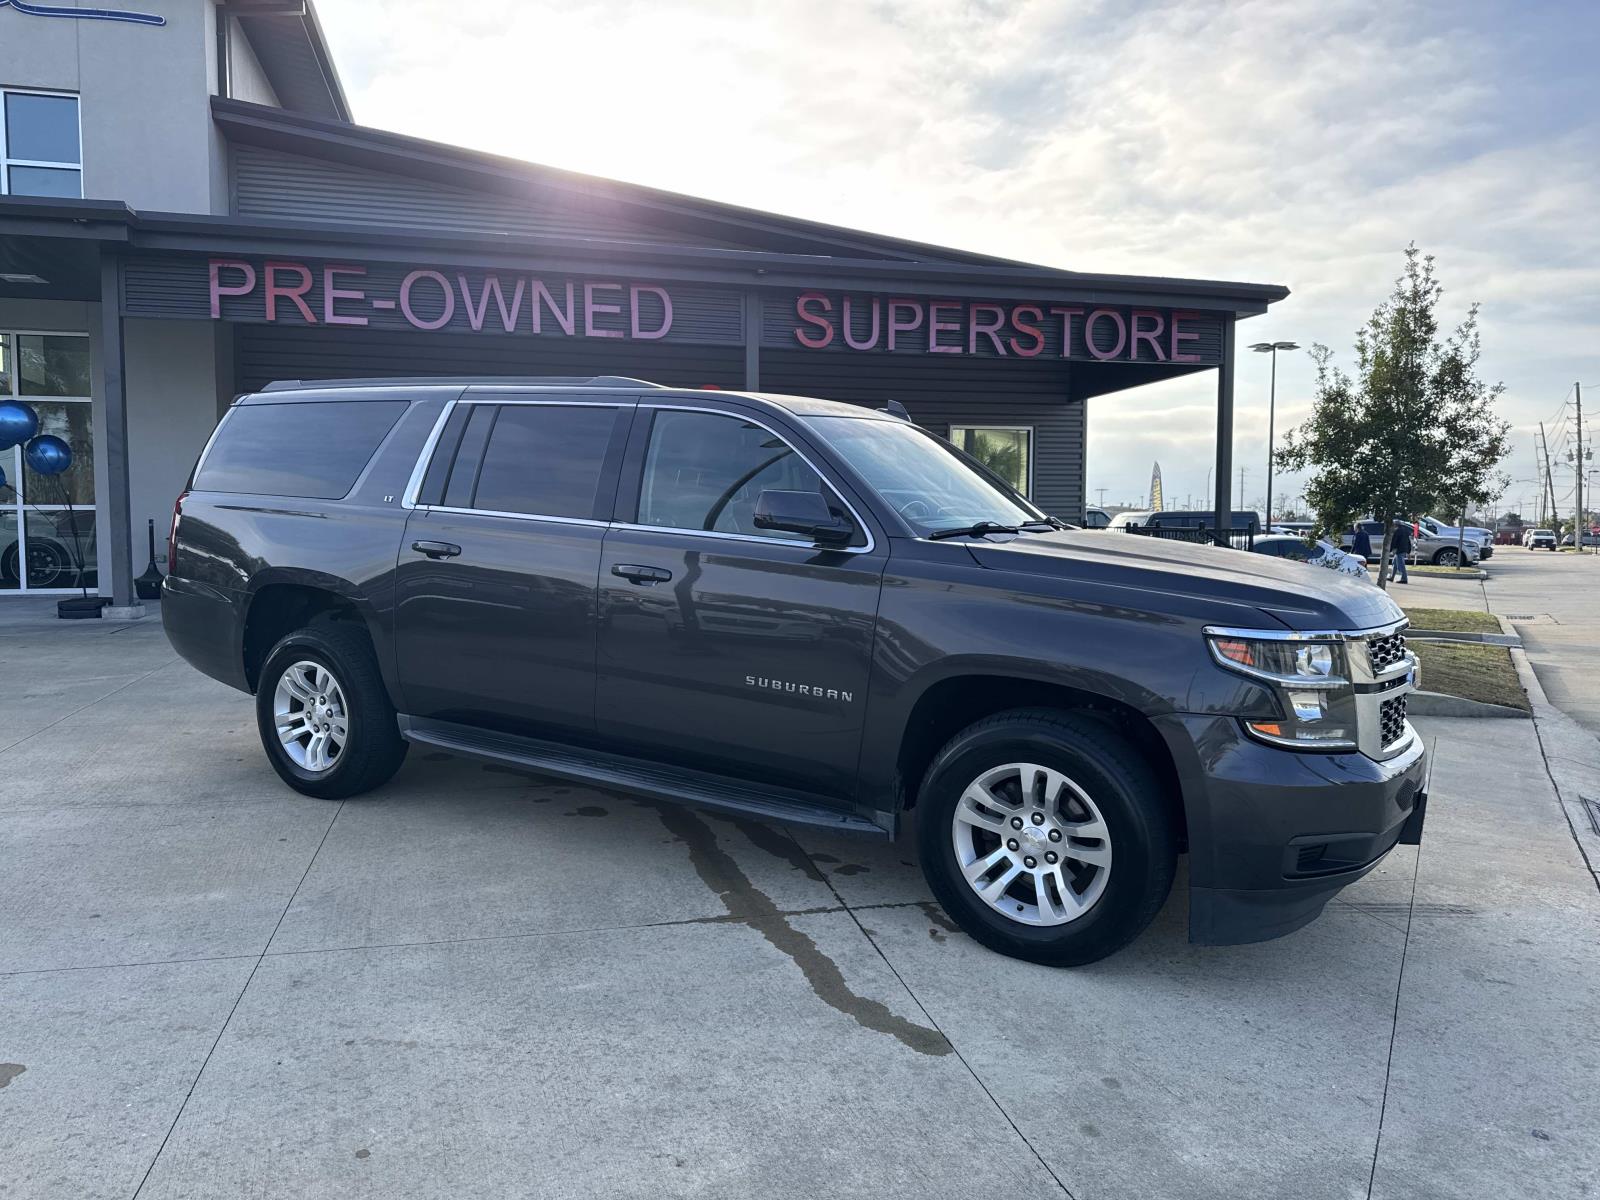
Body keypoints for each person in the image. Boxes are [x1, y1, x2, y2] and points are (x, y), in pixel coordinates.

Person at [1388, 519, 1412, 584]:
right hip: (1404, 549)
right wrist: (1409, 551)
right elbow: (1409, 542)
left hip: (1399, 550)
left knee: (1401, 565)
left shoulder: (1397, 531)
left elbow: (1394, 541)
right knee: (1395, 563)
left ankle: (1404, 579)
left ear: (1395, 525)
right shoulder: (1406, 531)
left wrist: (1390, 550)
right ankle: (1391, 577)